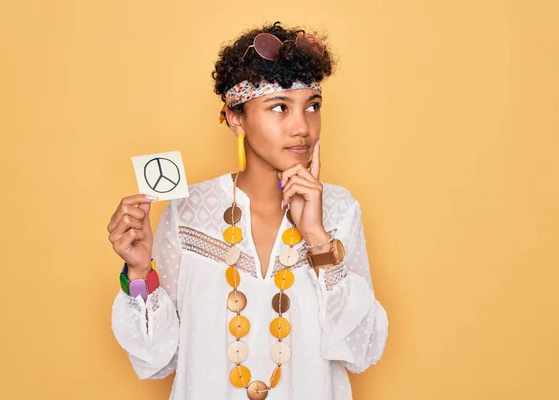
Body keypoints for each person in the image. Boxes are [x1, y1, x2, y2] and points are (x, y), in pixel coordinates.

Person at [108, 21, 388, 400]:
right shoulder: (189, 211)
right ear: (236, 117)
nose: (302, 127)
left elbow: (363, 349)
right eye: (279, 107)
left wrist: (318, 238)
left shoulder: (339, 210)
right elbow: (158, 359)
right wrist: (140, 271)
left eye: (313, 107)